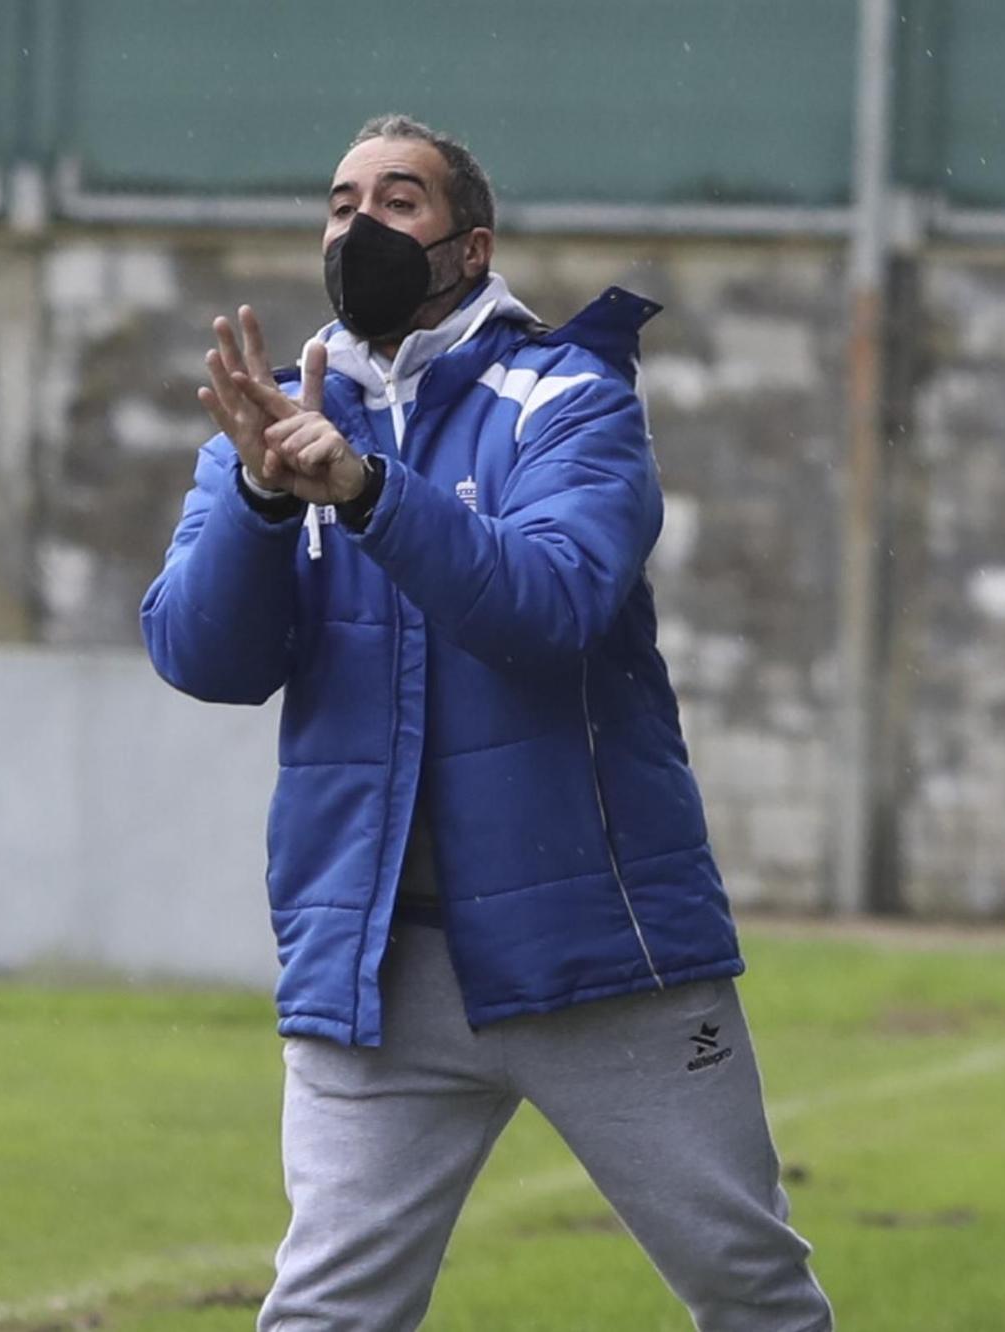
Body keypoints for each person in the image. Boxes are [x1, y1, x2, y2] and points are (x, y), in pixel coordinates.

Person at [140, 116, 834, 1331]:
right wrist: (257, 496)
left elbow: (549, 604)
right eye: (340, 202)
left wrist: (364, 493)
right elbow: (202, 658)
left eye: (397, 202)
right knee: (322, 1318)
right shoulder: (264, 432)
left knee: (750, 1293)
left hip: (599, 959)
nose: (360, 227)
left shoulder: (570, 394)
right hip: (376, 975)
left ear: (470, 247)